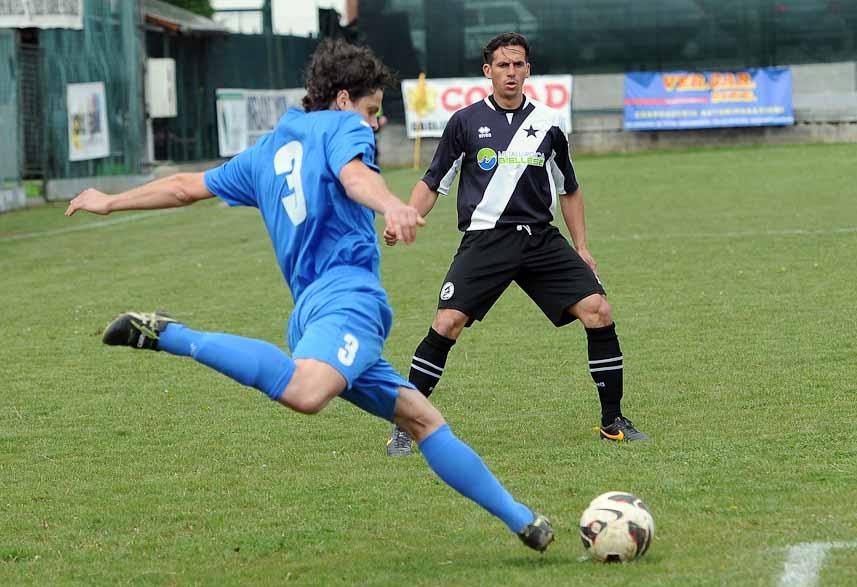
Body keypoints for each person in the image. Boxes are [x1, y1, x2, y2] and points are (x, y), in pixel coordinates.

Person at [65, 39, 553, 553]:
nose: (374, 123)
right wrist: (392, 204)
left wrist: (112, 201)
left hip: (311, 312)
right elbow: (354, 174)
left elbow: (187, 186)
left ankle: (525, 521)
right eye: (371, 110)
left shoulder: (267, 150)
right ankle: (168, 334)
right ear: (343, 100)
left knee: (421, 419)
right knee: (305, 392)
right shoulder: (343, 128)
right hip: (348, 300)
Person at [383, 32, 647, 457]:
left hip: (540, 238)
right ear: (488, 71)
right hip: (486, 239)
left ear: (528, 70)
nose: (511, 72)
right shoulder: (464, 123)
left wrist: (581, 245)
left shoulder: (548, 125)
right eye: (503, 65)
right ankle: (405, 426)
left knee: (598, 310)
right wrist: (405, 216)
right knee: (447, 323)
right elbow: (434, 181)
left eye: (518, 64)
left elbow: (570, 189)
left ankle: (612, 421)